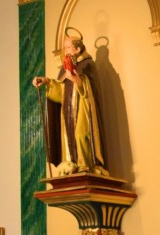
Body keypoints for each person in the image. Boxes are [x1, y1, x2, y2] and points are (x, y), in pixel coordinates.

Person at [32, 28, 108, 176]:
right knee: (68, 137)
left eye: (68, 47)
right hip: (68, 112)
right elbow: (61, 90)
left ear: (77, 48)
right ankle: (73, 166)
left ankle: (86, 166)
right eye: (65, 48)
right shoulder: (65, 68)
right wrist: (46, 81)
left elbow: (90, 89)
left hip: (84, 109)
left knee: (81, 135)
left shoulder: (88, 65)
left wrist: (75, 78)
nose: (65, 51)